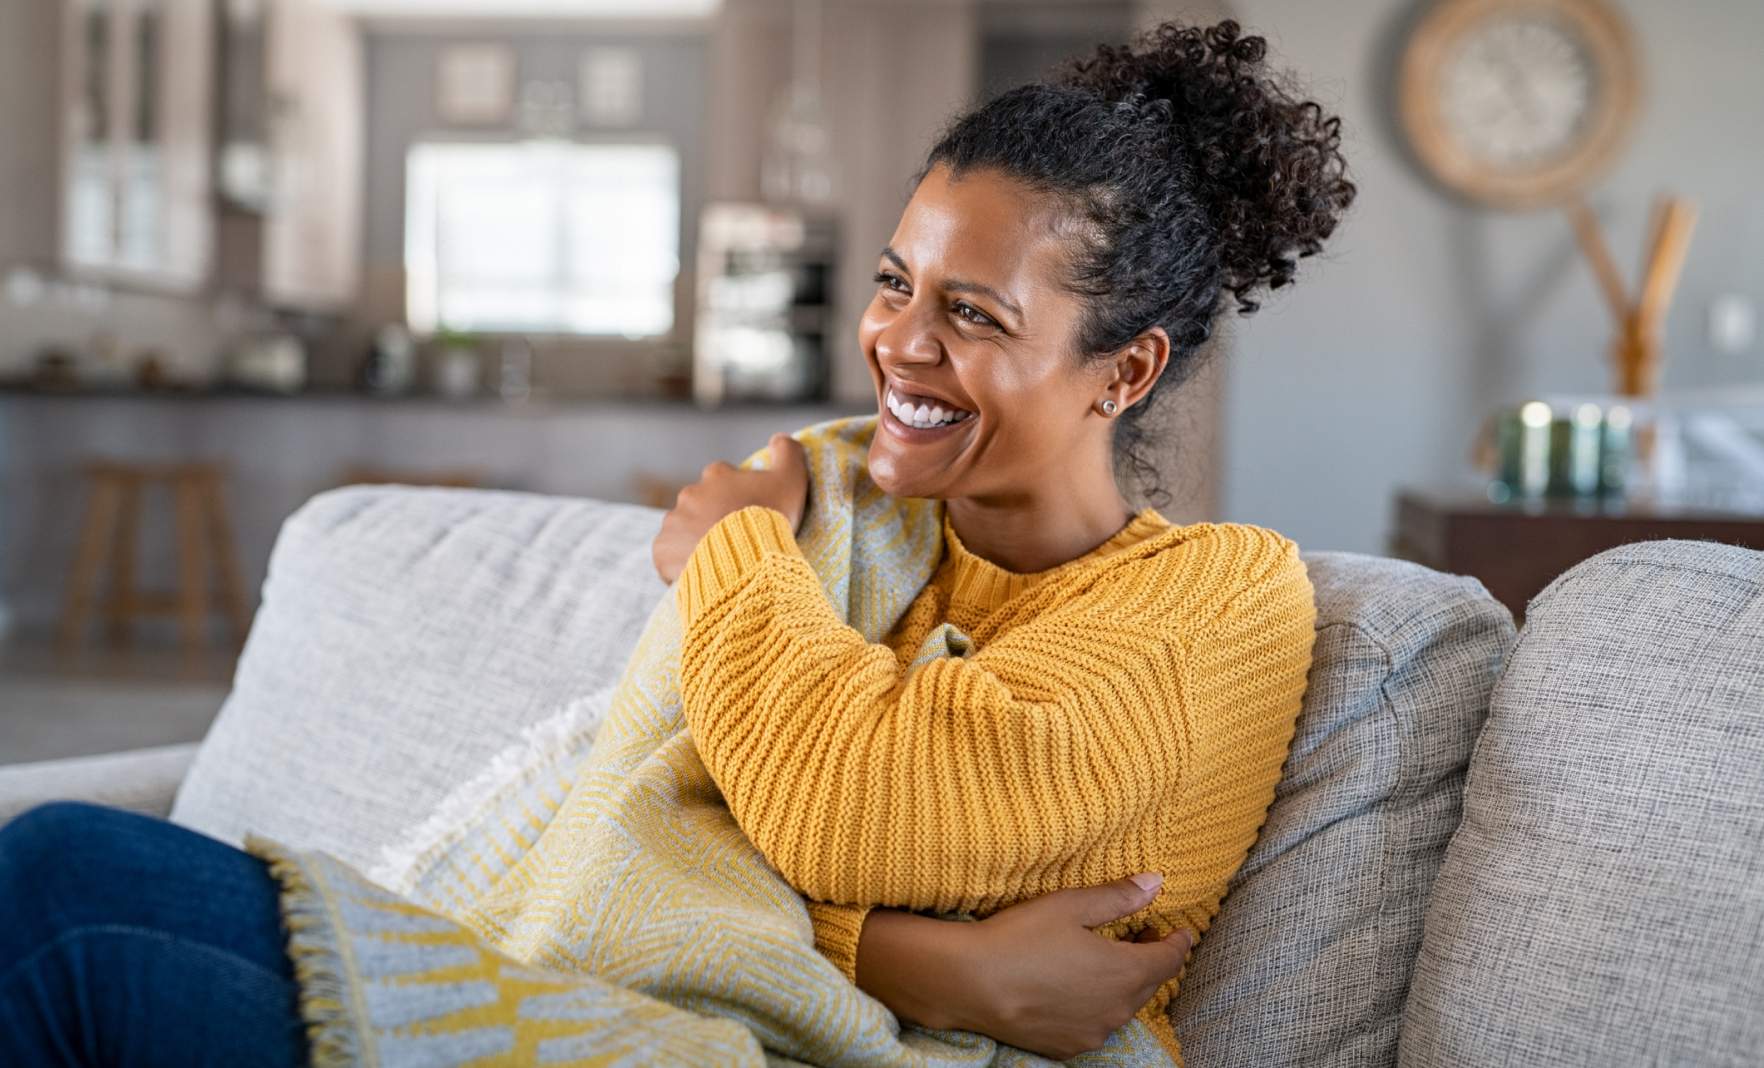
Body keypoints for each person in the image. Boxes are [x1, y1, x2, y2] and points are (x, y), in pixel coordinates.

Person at [0, 18, 1351, 1066]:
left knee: (58, 914)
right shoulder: (862, 522)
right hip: (627, 994)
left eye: (975, 314)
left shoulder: (1226, 595)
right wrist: (924, 958)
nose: (898, 343)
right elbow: (661, 820)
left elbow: (859, 801)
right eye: (895, 285)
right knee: (58, 861)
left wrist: (731, 558)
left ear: (1123, 373)